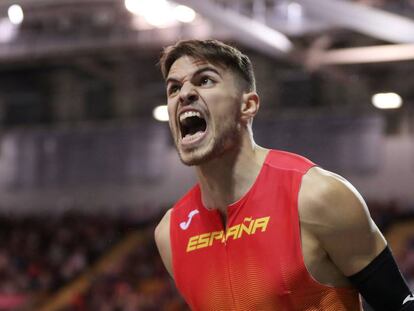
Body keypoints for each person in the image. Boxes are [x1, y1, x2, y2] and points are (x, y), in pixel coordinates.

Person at [154, 39, 414, 311]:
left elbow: (400, 305)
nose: (184, 94)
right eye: (174, 88)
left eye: (205, 80)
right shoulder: (170, 234)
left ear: (248, 106)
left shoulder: (316, 196)